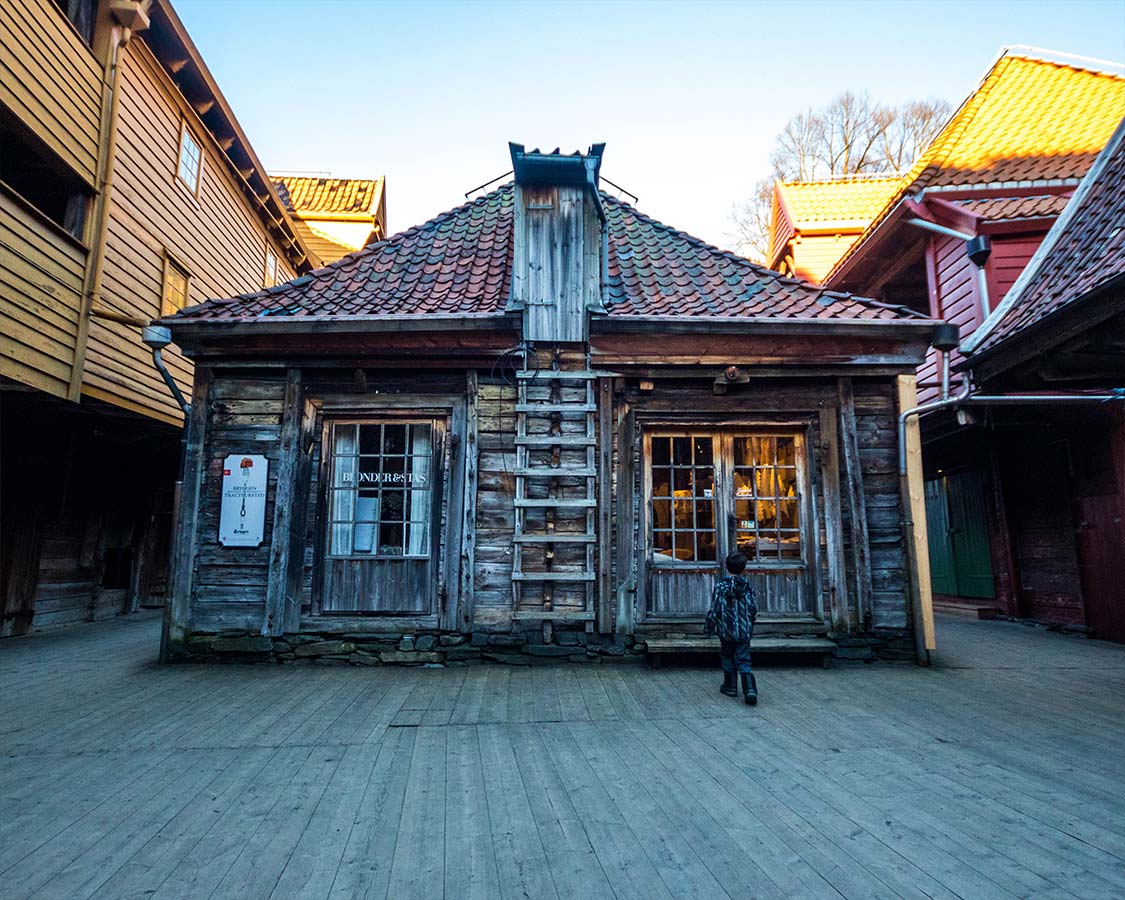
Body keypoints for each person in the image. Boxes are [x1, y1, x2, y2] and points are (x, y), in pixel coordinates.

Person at [704, 552, 758, 704]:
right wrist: (750, 625)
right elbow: (753, 608)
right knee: (744, 658)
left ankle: (730, 686)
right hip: (743, 630)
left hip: (726, 630)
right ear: (744, 569)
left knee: (727, 656)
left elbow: (715, 609)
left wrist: (709, 627)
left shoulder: (721, 587)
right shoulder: (747, 587)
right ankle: (750, 689)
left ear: (727, 568)